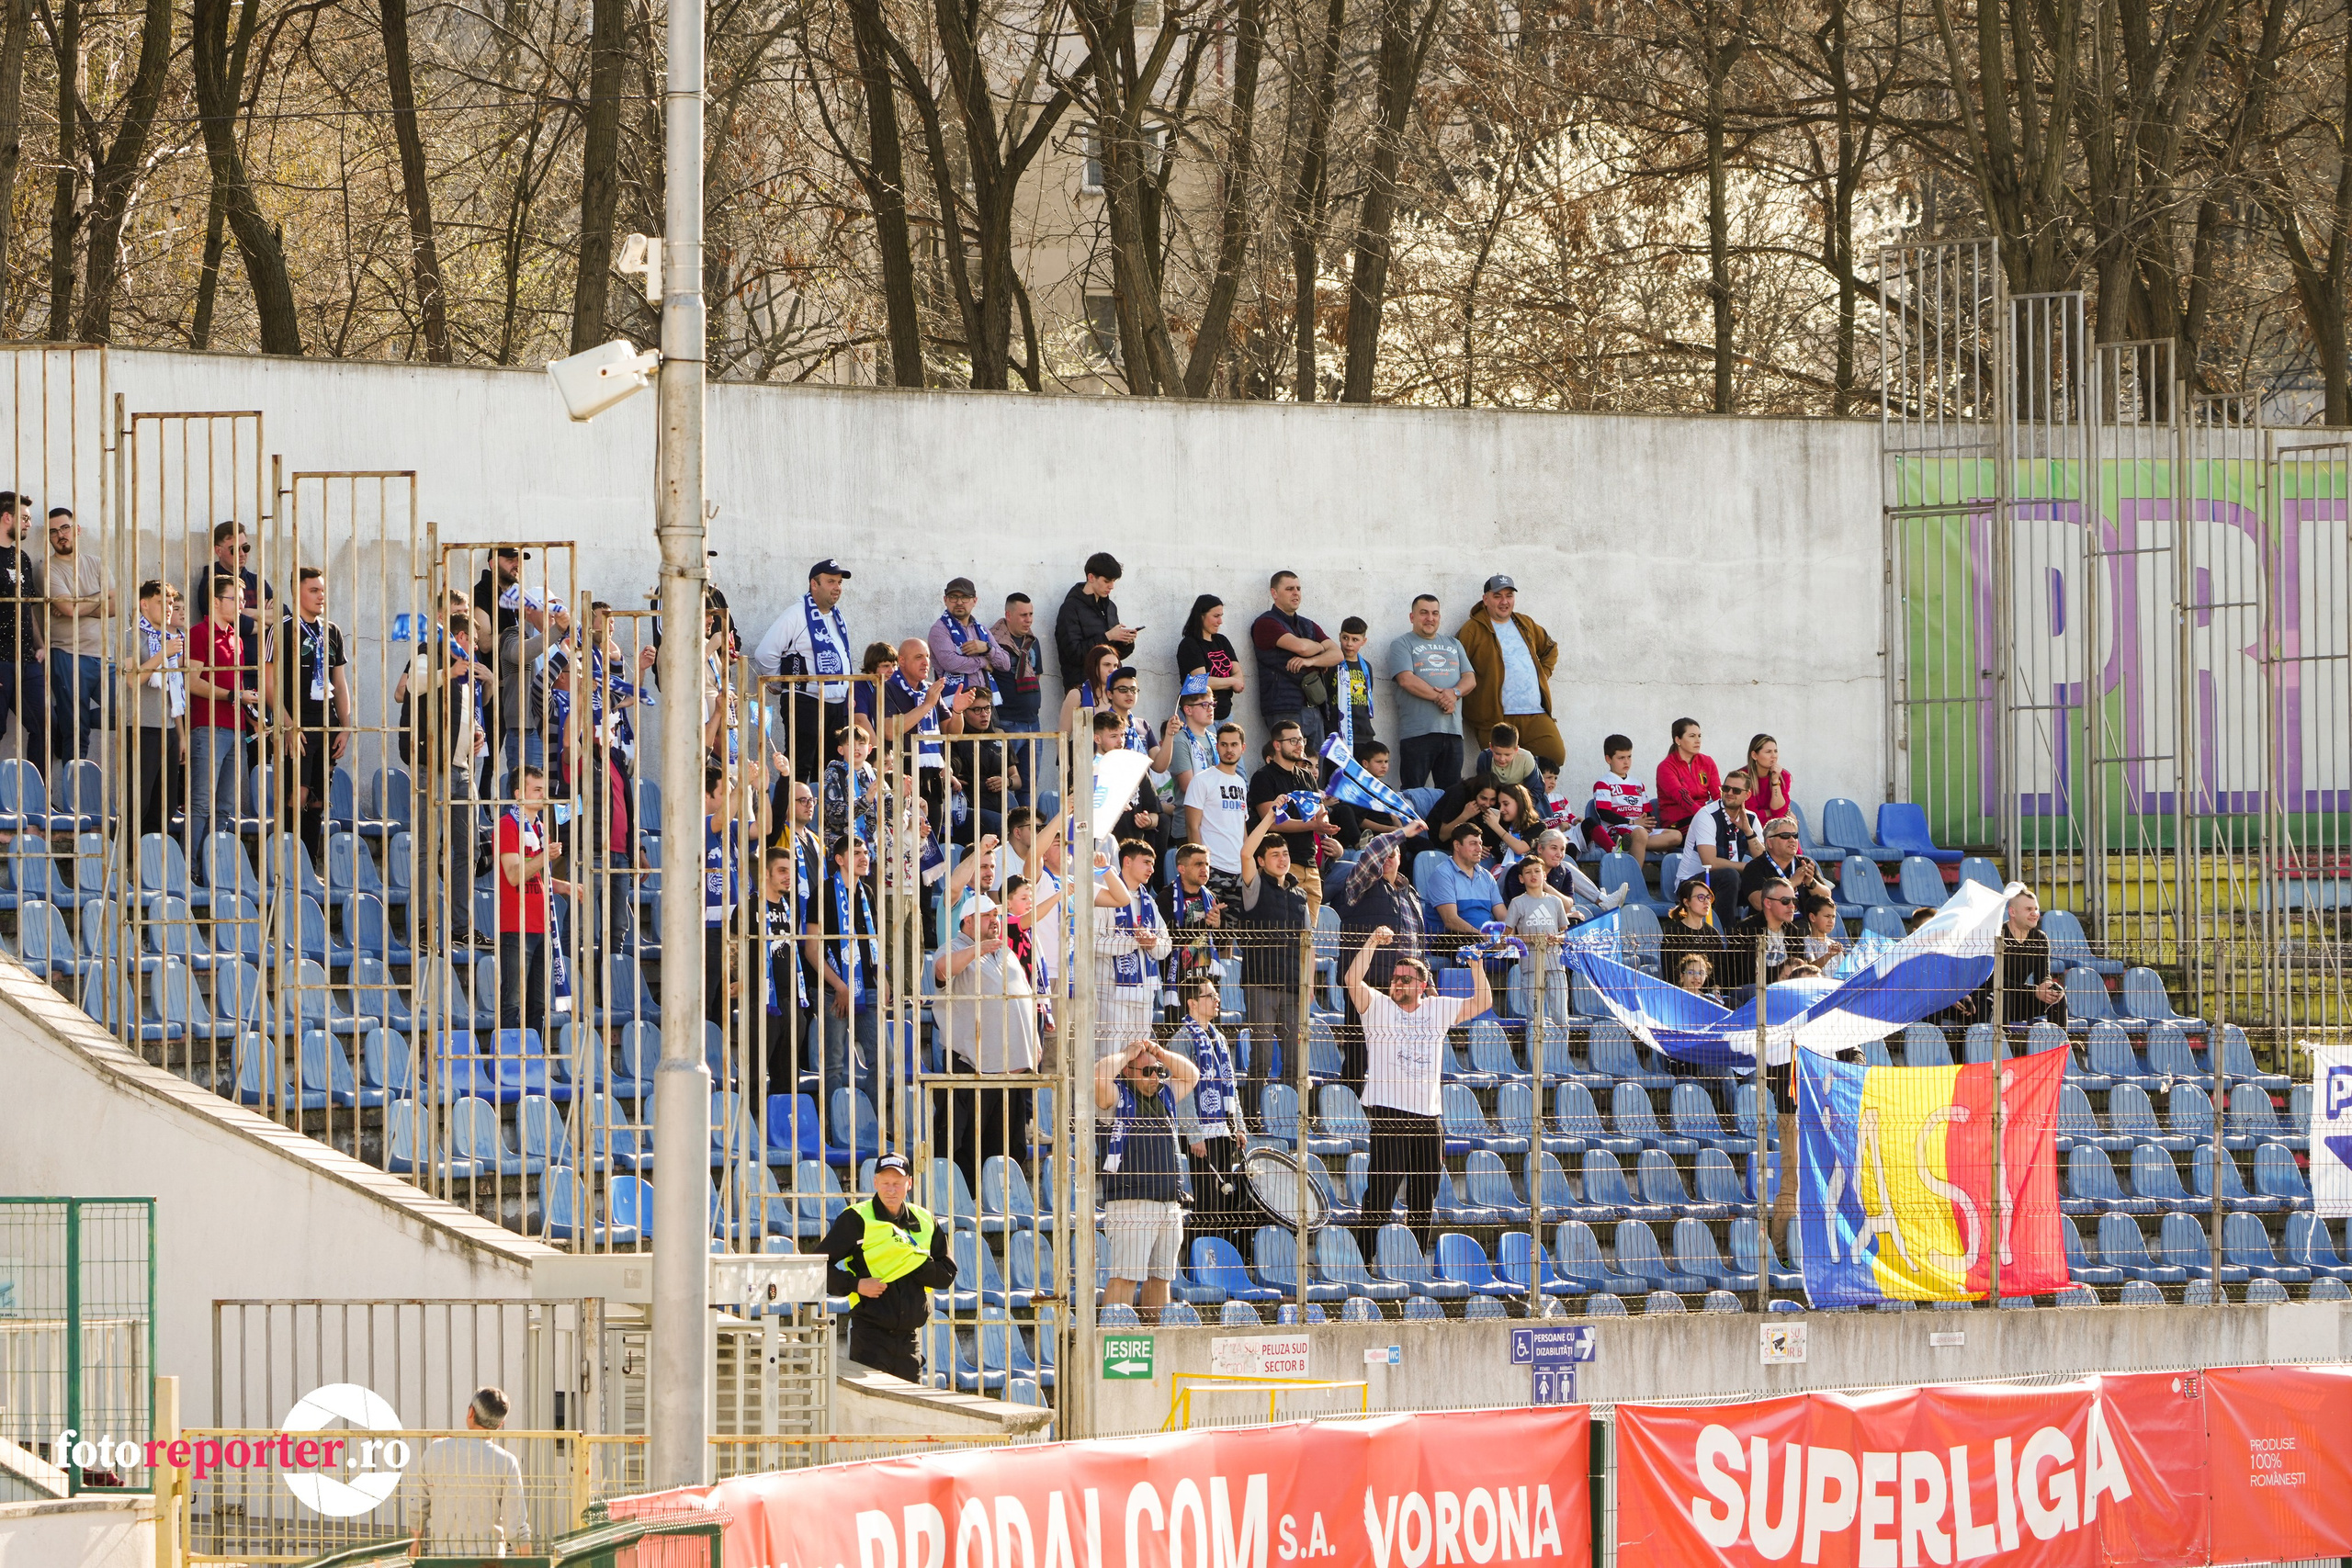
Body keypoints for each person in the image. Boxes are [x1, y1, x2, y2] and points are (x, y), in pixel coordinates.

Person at [1347, 925, 1489, 1260]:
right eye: (1395, 977)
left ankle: (1414, 1260)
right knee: (1381, 1192)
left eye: (1405, 979)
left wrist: (1476, 965)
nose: (1396, 983)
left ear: (1422, 986)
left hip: (1429, 1116)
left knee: (1425, 1194)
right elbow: (1353, 980)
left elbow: (1483, 1001)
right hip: (1388, 1112)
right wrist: (1371, 941)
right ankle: (1364, 1259)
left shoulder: (1436, 1010)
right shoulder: (1378, 1008)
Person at [932, 886, 1041, 1190]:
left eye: (997, 915)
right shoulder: (954, 947)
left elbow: (1024, 995)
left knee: (1008, 1150)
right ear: (967, 920)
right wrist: (978, 949)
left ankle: (1003, 1205)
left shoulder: (1003, 949)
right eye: (988, 915)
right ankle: (966, 1206)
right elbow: (942, 970)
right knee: (968, 1149)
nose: (996, 920)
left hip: (1013, 1072)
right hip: (975, 1070)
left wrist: (1033, 1037)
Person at [819, 1152, 956, 1381]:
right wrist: (856, 1284)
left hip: (909, 1342)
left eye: (897, 1183)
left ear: (909, 1183)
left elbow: (946, 1274)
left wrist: (911, 1260)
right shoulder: (857, 1218)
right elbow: (818, 1266)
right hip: (870, 1338)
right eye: (885, 1183)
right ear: (875, 1183)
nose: (891, 1189)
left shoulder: (924, 1219)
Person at [401, 607, 491, 949]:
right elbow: (413, 686)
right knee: (427, 848)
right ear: (462, 637)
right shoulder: (428, 654)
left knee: (466, 850)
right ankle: (423, 927)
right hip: (432, 766)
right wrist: (448, 671)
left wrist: (476, 733)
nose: (479, 647)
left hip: (461, 768)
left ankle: (460, 927)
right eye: (476, 639)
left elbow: (464, 715)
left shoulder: (463, 670)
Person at [1094, 1035, 1199, 1320]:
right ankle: (1113, 1335)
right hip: (1132, 1204)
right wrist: (1128, 1054)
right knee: (1125, 1277)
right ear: (1127, 1070)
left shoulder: (1165, 1094)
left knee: (1160, 1278)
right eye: (1147, 1071)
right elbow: (1099, 1075)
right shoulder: (1116, 1097)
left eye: (1158, 1071)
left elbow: (1192, 1075)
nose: (1155, 1076)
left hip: (1168, 1203)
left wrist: (1161, 1054)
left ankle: (1155, 1335)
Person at [1326, 821, 1428, 1094]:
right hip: (1365, 981)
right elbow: (1373, 853)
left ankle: (1390, 1105)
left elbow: (1418, 944)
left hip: (1403, 985)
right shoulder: (1360, 882)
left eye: (1392, 855)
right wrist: (1402, 834)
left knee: (1397, 1051)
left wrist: (1427, 982)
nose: (1386, 861)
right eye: (1383, 856)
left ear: (1400, 860)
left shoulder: (1411, 894)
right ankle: (1351, 1105)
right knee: (1359, 1048)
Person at [273, 568, 352, 860]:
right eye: (314, 590)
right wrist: (289, 725)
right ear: (297, 592)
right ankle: (286, 862)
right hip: (297, 726)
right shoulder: (281, 630)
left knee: (319, 800)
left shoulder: (331, 631)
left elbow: (340, 683)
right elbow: (271, 685)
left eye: (322, 590)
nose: (321, 596)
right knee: (298, 795)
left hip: (326, 725)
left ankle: (308, 862)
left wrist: (345, 727)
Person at [753, 558, 855, 782]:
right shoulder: (797, 613)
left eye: (839, 582)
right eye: (831, 581)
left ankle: (822, 817)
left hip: (836, 707)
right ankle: (788, 815)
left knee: (832, 771)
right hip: (806, 701)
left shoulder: (837, 616)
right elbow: (765, 653)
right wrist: (783, 683)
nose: (837, 587)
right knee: (799, 768)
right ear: (814, 584)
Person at [1231, 809, 1309, 1091]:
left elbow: (1307, 944)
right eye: (1275, 854)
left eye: (1285, 853)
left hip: (1292, 986)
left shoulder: (1301, 895)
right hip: (1260, 983)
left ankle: (1290, 1119)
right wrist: (1271, 818)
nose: (1282, 859)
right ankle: (1252, 1118)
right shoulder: (1254, 886)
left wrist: (1308, 982)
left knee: (1294, 1059)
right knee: (1261, 1058)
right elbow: (1245, 853)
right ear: (1262, 861)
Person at [1167, 975, 1247, 1246]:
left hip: (1223, 1131)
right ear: (1192, 1003)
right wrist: (1193, 1133)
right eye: (1209, 996)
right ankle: (1202, 1258)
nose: (1217, 1000)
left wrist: (1239, 1126)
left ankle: (1222, 1257)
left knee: (1224, 1202)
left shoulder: (1220, 1039)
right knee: (1207, 1202)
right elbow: (1182, 1091)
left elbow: (1230, 1085)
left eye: (1216, 995)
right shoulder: (1181, 1040)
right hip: (1201, 1134)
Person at [406, 1386, 527, 1559]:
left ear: (471, 1412)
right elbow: (516, 1526)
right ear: (500, 1424)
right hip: (488, 1561)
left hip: (443, 1560)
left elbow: (417, 1507)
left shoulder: (436, 1451)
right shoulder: (506, 1462)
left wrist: (413, 1552)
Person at [495, 765, 572, 1036]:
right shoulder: (507, 825)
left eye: (544, 789)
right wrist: (545, 857)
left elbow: (539, 878)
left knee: (538, 1006)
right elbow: (515, 875)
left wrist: (565, 886)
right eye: (536, 790)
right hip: (516, 927)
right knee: (513, 1003)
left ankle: (534, 1060)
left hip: (542, 927)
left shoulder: (539, 827)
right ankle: (508, 1060)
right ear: (519, 794)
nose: (544, 795)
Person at [1454, 575, 1561, 770]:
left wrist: (1542, 675)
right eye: (1497, 596)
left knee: (1553, 758)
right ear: (1486, 599)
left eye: (1509, 595)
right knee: (1501, 771)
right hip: (1495, 716)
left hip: (1533, 710)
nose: (1504, 601)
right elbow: (1457, 666)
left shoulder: (1525, 623)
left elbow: (1550, 648)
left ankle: (1530, 799)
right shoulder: (1472, 629)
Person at [806, 833, 881, 1102]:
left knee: (884, 1057)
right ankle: (834, 1126)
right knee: (834, 1062)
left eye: (866, 853)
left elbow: (872, 941)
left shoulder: (867, 891)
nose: (864, 857)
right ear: (839, 859)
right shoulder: (823, 893)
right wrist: (839, 985)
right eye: (857, 853)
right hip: (831, 990)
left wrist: (882, 978)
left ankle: (873, 1122)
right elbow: (812, 949)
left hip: (867, 987)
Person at [185, 572, 255, 842]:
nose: (240, 605)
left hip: (236, 729)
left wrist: (249, 714)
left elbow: (234, 689)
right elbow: (192, 682)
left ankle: (212, 867)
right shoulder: (198, 633)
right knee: (201, 804)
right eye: (234, 599)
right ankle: (188, 868)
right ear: (215, 601)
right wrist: (233, 695)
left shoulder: (236, 638)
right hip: (208, 728)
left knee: (224, 807)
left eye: (242, 600)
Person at [883, 635, 974, 832]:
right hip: (903, 772)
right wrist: (927, 705)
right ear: (902, 661)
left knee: (931, 842)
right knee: (907, 841)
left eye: (927, 656)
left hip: (932, 774)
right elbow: (890, 731)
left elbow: (952, 734)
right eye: (918, 657)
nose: (926, 662)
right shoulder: (888, 689)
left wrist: (958, 711)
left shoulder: (930, 691)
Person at [42, 510, 112, 762]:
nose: (60, 535)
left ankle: (65, 714)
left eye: (65, 528)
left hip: (102, 656)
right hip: (67, 654)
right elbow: (69, 610)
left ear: (77, 529)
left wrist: (80, 606)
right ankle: (76, 798)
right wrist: (99, 596)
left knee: (123, 710)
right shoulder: (48, 569)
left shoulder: (95, 562)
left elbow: (116, 607)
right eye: (53, 531)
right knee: (77, 734)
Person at [119, 581, 187, 839]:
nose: (168, 608)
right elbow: (132, 679)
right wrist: (163, 654)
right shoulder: (131, 636)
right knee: (138, 801)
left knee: (165, 806)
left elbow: (173, 693)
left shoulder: (169, 639)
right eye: (162, 602)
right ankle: (126, 862)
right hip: (140, 727)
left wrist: (180, 736)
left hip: (168, 729)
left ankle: (149, 864)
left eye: (171, 603)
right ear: (144, 604)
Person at [1093, 838, 1171, 1058]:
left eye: (1153, 864)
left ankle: (1130, 1095)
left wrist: (1152, 943)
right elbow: (1092, 942)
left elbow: (1166, 945)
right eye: (1146, 862)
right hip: (1111, 989)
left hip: (1145, 991)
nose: (1151, 869)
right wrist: (1133, 942)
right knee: (1110, 1056)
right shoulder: (1103, 894)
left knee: (1139, 1056)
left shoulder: (1150, 902)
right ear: (1127, 861)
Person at [1388, 593, 1474, 791]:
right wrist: (1442, 698)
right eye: (1424, 613)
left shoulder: (1454, 644)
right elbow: (1406, 680)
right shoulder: (1402, 644)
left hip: (1452, 732)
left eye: (1435, 613)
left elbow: (1470, 678)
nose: (1430, 618)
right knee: (1413, 791)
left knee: (1452, 793)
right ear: (1412, 617)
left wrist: (1454, 693)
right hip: (1418, 732)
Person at [1251, 570, 1341, 758]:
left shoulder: (1308, 625)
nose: (1296, 593)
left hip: (1314, 708)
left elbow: (1337, 654)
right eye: (1290, 588)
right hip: (1284, 709)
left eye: (1298, 588)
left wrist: (1311, 660)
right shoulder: (1265, 623)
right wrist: (1320, 648)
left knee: (1314, 770)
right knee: (1288, 767)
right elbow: (1300, 647)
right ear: (1274, 593)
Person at [1246, 717, 1327, 906]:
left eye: (1302, 740)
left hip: (1311, 864)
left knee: (1309, 933)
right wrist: (1314, 825)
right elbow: (1272, 821)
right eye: (1293, 741)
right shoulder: (1263, 777)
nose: (1300, 746)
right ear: (1277, 745)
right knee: (1286, 932)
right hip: (1281, 866)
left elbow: (1319, 810)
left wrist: (1324, 823)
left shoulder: (1307, 776)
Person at [1961, 888, 2067, 1029]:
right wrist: (2034, 990)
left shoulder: (2040, 938)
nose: (2035, 913)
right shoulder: (1997, 935)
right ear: (2012, 912)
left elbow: (2043, 976)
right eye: (2028, 909)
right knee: (2003, 995)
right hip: (1990, 996)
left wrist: (2047, 986)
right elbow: (1992, 979)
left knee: (2057, 996)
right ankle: (2001, 1047)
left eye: (2036, 909)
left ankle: (2059, 1047)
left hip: (2019, 998)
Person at [1677, 767, 1764, 912]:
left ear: (1747, 795)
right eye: (1726, 788)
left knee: (1763, 883)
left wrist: (1748, 831)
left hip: (1730, 883)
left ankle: (1754, 932)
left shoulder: (1751, 818)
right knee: (1730, 875)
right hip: (1691, 883)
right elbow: (1710, 863)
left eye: (1736, 790)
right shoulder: (1707, 815)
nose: (1729, 793)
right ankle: (1726, 933)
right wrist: (1749, 868)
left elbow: (1763, 860)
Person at [1182, 721, 1250, 901]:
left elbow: (1241, 827)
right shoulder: (1202, 780)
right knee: (1208, 927)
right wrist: (1200, 866)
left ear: (1243, 748)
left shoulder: (1241, 783)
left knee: (1235, 929)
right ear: (1217, 746)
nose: (1229, 749)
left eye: (1234, 744)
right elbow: (1192, 827)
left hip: (1239, 871)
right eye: (1224, 744)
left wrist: (1247, 865)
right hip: (1212, 869)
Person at [0, 494, 46, 765]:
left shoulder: (23, 559)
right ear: (7, 517)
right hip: (1, 657)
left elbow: (27, 606)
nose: (29, 524)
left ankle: (37, 797)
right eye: (25, 518)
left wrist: (39, 644)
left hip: (26, 659)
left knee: (44, 726)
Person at [1054, 551, 1136, 685]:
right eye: (1106, 581)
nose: (1111, 586)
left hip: (1110, 688)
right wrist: (1108, 636)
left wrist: (1125, 642)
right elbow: (1074, 654)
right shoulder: (1070, 608)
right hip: (1081, 688)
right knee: (1081, 707)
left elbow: (1113, 656)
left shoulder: (1110, 607)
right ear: (1091, 577)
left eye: (1113, 581)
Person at [1157, 840, 1223, 998]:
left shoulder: (1211, 898)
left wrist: (1218, 926)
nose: (1204, 869)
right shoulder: (1165, 898)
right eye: (1198, 864)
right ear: (1182, 868)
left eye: (1207, 864)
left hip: (1209, 980)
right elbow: (1170, 939)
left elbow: (1220, 946)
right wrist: (1204, 924)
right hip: (1178, 980)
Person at [1426, 821, 1505, 952]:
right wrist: (1483, 936)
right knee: (1476, 943)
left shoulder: (1487, 877)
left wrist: (1507, 935)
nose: (1479, 848)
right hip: (1450, 939)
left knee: (1518, 946)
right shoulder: (1443, 874)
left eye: (1480, 843)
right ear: (1457, 845)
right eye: (1473, 844)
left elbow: (1503, 915)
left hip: (1484, 938)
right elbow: (1450, 920)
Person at [928, 576, 1012, 693]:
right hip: (955, 703)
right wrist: (983, 662)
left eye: (965, 597)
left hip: (985, 702)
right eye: (953, 597)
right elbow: (950, 663)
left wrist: (988, 648)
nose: (959, 602)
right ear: (945, 600)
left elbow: (1006, 664)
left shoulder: (981, 630)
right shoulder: (940, 629)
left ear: (975, 601)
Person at [1722, 874, 1800, 999]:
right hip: (1753, 990)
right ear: (1768, 903)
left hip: (1787, 990)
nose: (1792, 906)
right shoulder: (1745, 930)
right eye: (1785, 901)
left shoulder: (1793, 932)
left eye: (1794, 901)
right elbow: (1747, 974)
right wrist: (1782, 970)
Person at [1738, 816, 1831, 918]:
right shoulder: (1755, 867)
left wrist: (1811, 883)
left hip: (1803, 928)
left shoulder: (1804, 862)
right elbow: (1758, 903)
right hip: (1769, 929)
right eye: (1785, 835)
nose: (1792, 840)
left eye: (1795, 835)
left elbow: (1827, 898)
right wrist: (1792, 882)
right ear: (1769, 842)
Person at [1176, 594, 1245, 723]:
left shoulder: (1222, 641)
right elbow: (1201, 682)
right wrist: (1231, 682)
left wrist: (1231, 682)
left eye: (1221, 616)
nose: (1220, 621)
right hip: (1198, 716)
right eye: (1216, 616)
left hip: (1225, 714)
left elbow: (1239, 678)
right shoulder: (1189, 644)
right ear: (1201, 616)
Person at [1655, 718, 1721, 839]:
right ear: (1678, 740)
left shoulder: (1707, 762)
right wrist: (1705, 815)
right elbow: (1682, 797)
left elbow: (1718, 795)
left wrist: (1727, 815)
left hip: (1703, 818)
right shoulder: (1666, 767)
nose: (1698, 741)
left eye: (1699, 736)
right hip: (1678, 824)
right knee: (1714, 834)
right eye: (1692, 736)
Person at [990, 592, 1046, 732]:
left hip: (1033, 721)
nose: (1029, 620)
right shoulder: (993, 642)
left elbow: (1036, 675)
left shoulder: (1032, 641)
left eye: (1031, 614)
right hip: (1005, 722)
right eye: (1023, 615)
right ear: (1008, 615)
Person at [1657, 876, 1728, 983]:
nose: (1706, 902)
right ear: (1687, 902)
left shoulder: (1712, 933)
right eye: (1700, 897)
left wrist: (1716, 988)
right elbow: (1670, 972)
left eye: (1708, 897)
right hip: (1683, 993)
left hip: (1710, 994)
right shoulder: (1673, 933)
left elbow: (1721, 970)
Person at [1167, 677, 1219, 801]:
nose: (1210, 709)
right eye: (1204, 705)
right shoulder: (1180, 740)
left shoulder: (1215, 738)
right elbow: (1188, 786)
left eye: (1212, 704)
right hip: (1189, 816)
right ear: (1188, 710)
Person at [1057, 641, 1121, 738]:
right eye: (1107, 665)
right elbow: (1063, 736)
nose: (1112, 670)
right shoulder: (1077, 695)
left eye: (1115, 666)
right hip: (1084, 751)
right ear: (1094, 666)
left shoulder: (1118, 695)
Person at [1332, 615, 1377, 752]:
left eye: (1355, 639)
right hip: (1337, 732)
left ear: (1364, 641)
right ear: (1340, 636)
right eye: (1345, 638)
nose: (1349, 644)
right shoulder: (1331, 663)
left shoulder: (1366, 667)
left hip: (1362, 733)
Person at [1746, 734, 1795, 828]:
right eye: (1768, 752)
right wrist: (1771, 812)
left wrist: (1775, 780)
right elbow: (1750, 815)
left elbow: (1779, 810)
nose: (1774, 756)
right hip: (1751, 829)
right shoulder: (1743, 777)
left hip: (1777, 828)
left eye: (1775, 751)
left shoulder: (1783, 776)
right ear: (1754, 755)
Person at [1470, 723, 1537, 791]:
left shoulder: (1526, 758)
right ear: (1491, 747)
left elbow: (1536, 790)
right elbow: (1481, 788)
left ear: (1516, 749)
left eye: (1507, 755)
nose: (1502, 759)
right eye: (1497, 754)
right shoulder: (1484, 758)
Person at [1797, 891, 1847, 967]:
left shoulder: (1834, 944)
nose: (1831, 921)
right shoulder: (1806, 942)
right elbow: (1810, 968)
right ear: (1812, 917)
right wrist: (1829, 955)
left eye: (1833, 917)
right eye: (1827, 916)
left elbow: (1843, 972)